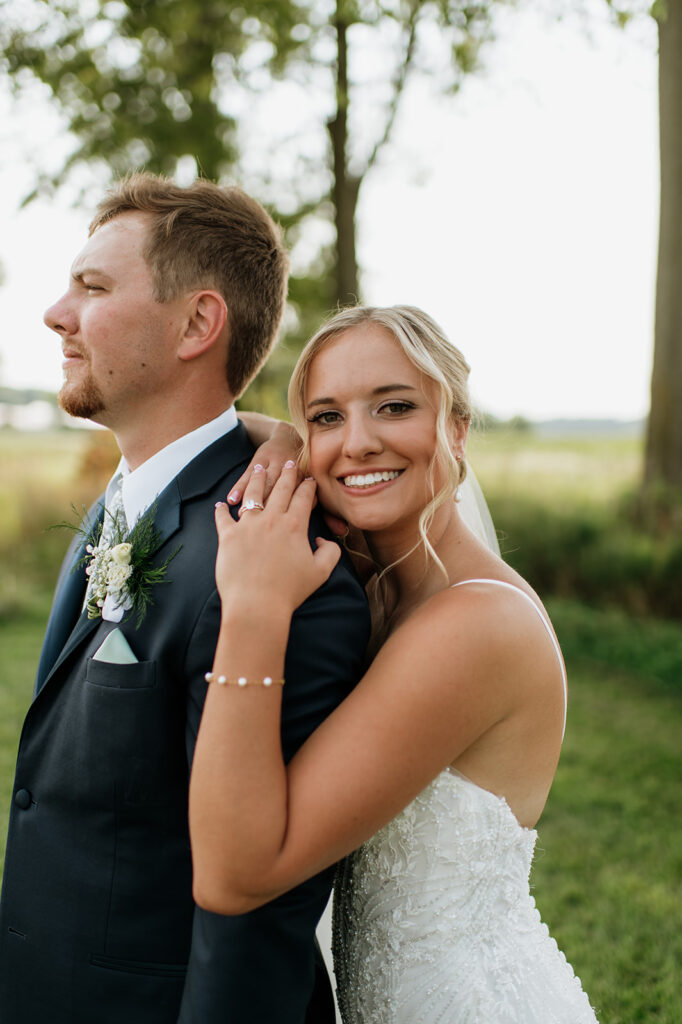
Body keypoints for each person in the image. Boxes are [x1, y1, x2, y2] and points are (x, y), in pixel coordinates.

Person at [0, 174, 370, 1024]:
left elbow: (254, 920)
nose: (57, 313)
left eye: (93, 288)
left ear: (199, 323)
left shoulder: (283, 569)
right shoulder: (119, 506)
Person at [189, 304, 600, 1023]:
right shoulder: (380, 591)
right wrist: (282, 437)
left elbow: (236, 876)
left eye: (395, 406)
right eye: (326, 417)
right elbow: (256, 432)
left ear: (458, 428)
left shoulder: (475, 625)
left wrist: (252, 610)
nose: (358, 442)